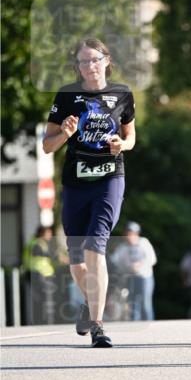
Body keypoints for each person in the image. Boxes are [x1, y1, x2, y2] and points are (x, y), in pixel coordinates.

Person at [42, 38, 135, 347]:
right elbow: (47, 146)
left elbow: (131, 137)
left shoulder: (122, 93)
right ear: (78, 67)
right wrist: (64, 134)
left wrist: (122, 144)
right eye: (83, 62)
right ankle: (90, 303)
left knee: (96, 245)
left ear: (106, 61)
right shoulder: (67, 95)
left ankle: (97, 325)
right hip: (76, 183)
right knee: (77, 262)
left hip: (109, 179)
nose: (90, 66)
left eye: (95, 59)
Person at [111, 221, 157, 321]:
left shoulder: (143, 243)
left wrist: (139, 265)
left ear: (136, 233)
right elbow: (115, 261)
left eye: (130, 233)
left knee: (145, 303)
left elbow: (152, 259)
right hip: (130, 277)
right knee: (132, 303)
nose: (128, 236)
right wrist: (127, 267)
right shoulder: (122, 247)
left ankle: (149, 324)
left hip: (144, 277)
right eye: (126, 233)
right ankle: (134, 326)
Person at [22, 226, 57, 324]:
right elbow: (45, 255)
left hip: (33, 273)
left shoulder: (33, 242)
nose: (50, 236)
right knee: (44, 299)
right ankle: (44, 321)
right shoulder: (38, 243)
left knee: (37, 299)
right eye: (48, 233)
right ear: (42, 233)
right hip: (39, 274)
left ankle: (39, 320)